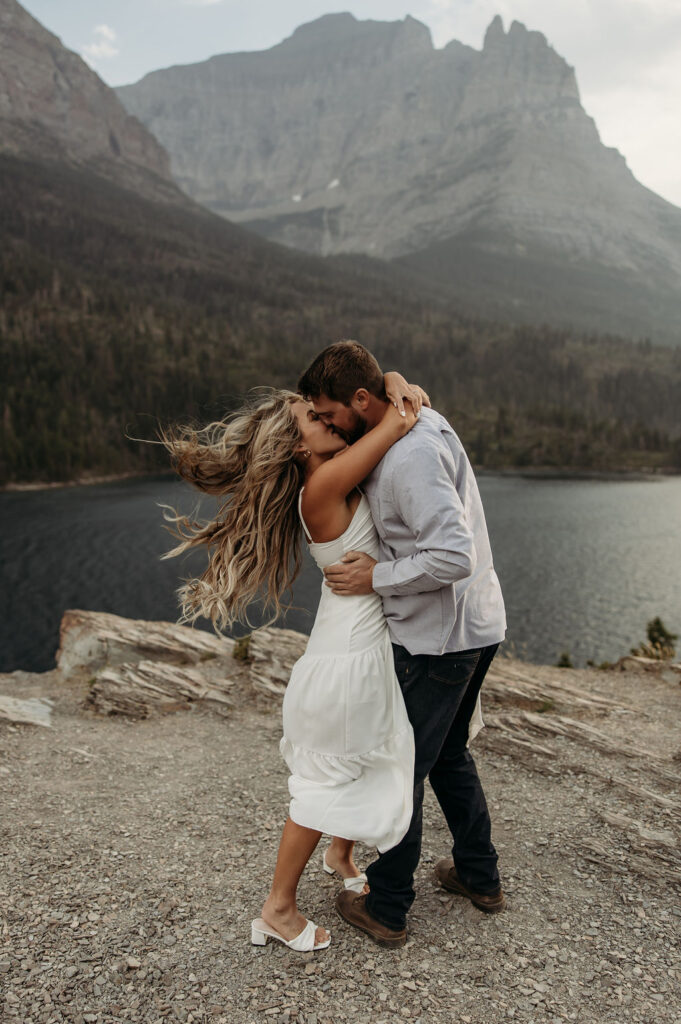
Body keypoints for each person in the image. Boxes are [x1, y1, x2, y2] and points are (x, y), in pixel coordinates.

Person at [159, 372, 424, 953]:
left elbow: (379, 407)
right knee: (326, 777)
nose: (329, 421)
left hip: (355, 642)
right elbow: (399, 420)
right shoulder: (324, 483)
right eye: (315, 420)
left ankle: (341, 850)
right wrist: (399, 393)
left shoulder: (332, 469)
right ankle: (277, 910)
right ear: (298, 445)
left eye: (326, 415)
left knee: (359, 756)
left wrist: (393, 378)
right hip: (348, 653)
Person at [298, 340, 507, 949]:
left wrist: (375, 576)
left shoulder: (410, 453)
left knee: (402, 769)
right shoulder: (406, 419)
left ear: (362, 399)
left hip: (440, 640)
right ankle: (479, 875)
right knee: (447, 757)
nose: (328, 422)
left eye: (330, 412)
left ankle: (387, 907)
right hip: (476, 624)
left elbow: (450, 554)